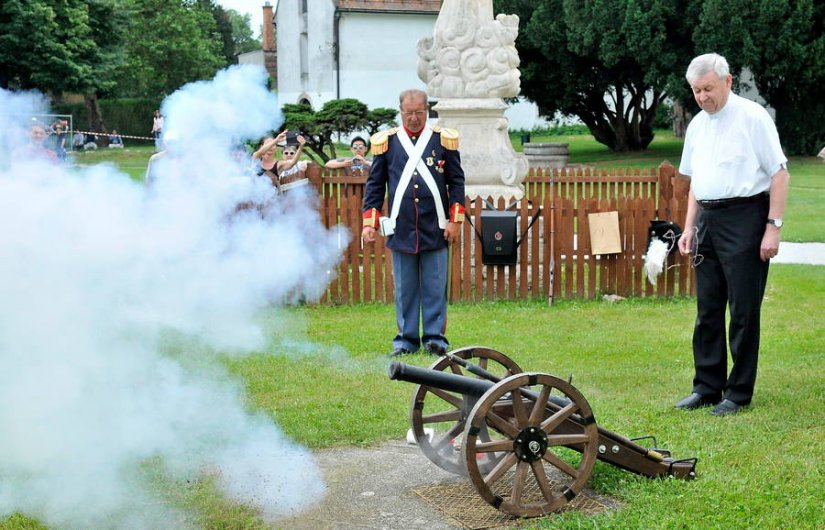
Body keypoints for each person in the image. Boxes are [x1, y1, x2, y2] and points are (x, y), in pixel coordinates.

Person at [675, 53, 790, 417]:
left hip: (746, 217)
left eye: (708, 88)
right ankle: (707, 387)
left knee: (742, 310)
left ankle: (737, 393)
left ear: (727, 82)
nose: (702, 96)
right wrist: (690, 226)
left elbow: (780, 175)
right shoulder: (697, 126)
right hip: (708, 218)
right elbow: (695, 183)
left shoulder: (753, 117)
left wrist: (773, 228)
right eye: (696, 90)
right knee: (707, 309)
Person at [361, 89, 465, 357]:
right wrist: (369, 222)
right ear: (401, 111)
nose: (414, 118)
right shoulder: (388, 143)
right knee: (405, 289)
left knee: (434, 286)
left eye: (419, 112)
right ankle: (406, 340)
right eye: (409, 113)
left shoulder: (443, 140)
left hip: (436, 226)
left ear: (427, 111)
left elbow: (456, 182)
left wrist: (455, 221)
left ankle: (434, 339)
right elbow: (375, 185)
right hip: (402, 226)